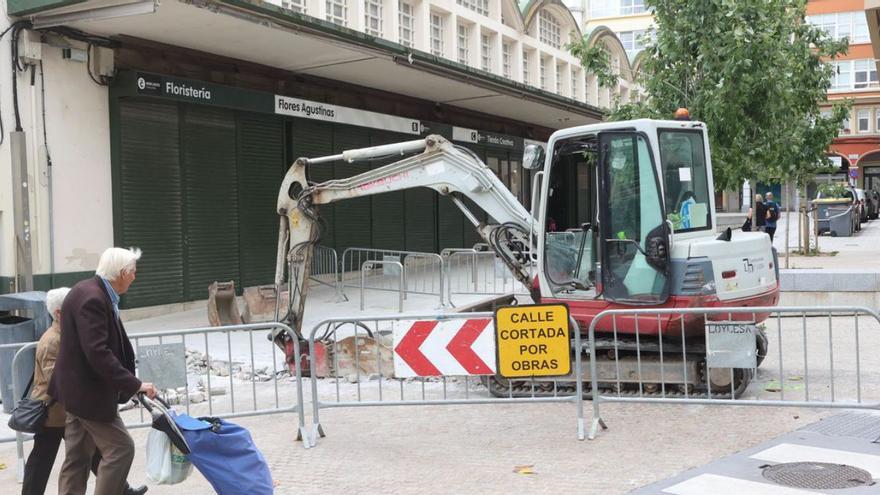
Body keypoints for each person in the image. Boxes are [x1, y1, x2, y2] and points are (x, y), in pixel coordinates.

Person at [49, 247, 158, 495]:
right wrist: (134, 384)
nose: (134, 277)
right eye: (133, 272)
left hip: (76, 391)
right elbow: (97, 353)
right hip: (88, 393)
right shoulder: (93, 299)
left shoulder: (86, 289)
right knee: (121, 449)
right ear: (120, 273)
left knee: (77, 458)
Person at [23, 288, 147, 495]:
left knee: (88, 454)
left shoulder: (68, 335)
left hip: (70, 408)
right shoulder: (53, 340)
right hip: (53, 412)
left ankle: (123, 489)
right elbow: (56, 377)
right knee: (44, 460)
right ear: (60, 313)